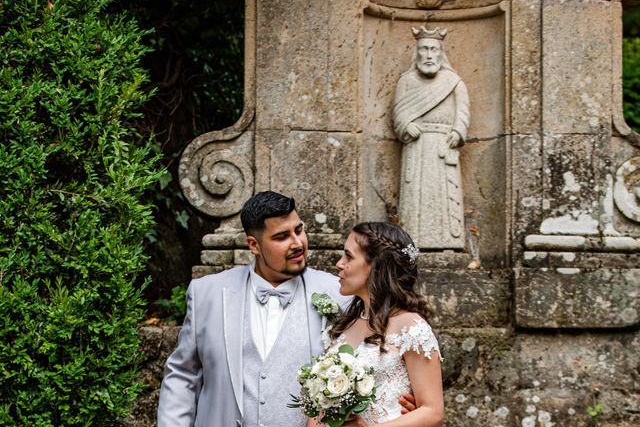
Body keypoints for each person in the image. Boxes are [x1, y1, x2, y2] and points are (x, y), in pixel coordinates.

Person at [157, 191, 415, 426]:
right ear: (254, 245)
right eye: (281, 236)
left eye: (299, 230)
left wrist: (393, 408)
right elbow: (183, 376)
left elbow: (383, 355)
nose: (297, 243)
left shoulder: (341, 295)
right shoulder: (207, 293)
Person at [309, 222, 444, 427]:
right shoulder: (342, 326)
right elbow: (320, 410)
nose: (339, 263)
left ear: (376, 265)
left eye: (349, 256)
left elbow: (432, 412)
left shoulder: (411, 328)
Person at [392, 26, 470, 249]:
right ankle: (412, 241)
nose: (428, 55)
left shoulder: (454, 82)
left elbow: (463, 114)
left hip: (443, 147)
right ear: (416, 53)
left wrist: (457, 132)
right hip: (417, 148)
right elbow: (398, 114)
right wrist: (406, 125)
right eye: (424, 49)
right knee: (416, 196)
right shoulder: (406, 82)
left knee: (445, 197)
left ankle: (449, 241)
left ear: (440, 53)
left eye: (433, 49)